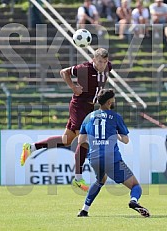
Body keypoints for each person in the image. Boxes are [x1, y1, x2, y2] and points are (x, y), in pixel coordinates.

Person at [20, 48, 112, 192]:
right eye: (100, 62)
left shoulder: (108, 67)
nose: (102, 65)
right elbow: (64, 72)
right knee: (84, 139)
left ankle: (31, 147)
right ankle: (78, 178)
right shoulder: (84, 69)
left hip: (89, 108)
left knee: (66, 140)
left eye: (105, 62)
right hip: (79, 106)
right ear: (93, 60)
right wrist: (73, 87)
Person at [76, 89, 150, 217]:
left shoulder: (88, 117)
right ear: (110, 102)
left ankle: (84, 210)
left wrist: (95, 145)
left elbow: (81, 141)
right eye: (114, 99)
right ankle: (133, 201)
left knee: (100, 181)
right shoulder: (115, 117)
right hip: (112, 158)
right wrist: (116, 136)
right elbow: (126, 140)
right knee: (135, 186)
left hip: (94, 158)